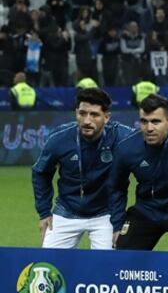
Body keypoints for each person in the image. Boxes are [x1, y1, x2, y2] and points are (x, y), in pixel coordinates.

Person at [32, 88, 132, 249]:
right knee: (48, 264)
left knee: (108, 266)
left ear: (106, 117)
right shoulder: (60, 138)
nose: (87, 120)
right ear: (76, 113)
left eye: (94, 115)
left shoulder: (120, 136)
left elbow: (150, 136)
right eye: (82, 113)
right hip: (66, 210)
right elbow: (40, 172)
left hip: (106, 214)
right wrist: (44, 212)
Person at [110, 94, 168, 251]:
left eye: (156, 121)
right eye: (144, 121)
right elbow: (116, 187)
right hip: (147, 211)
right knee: (122, 256)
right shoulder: (126, 148)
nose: (149, 128)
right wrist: (117, 225)